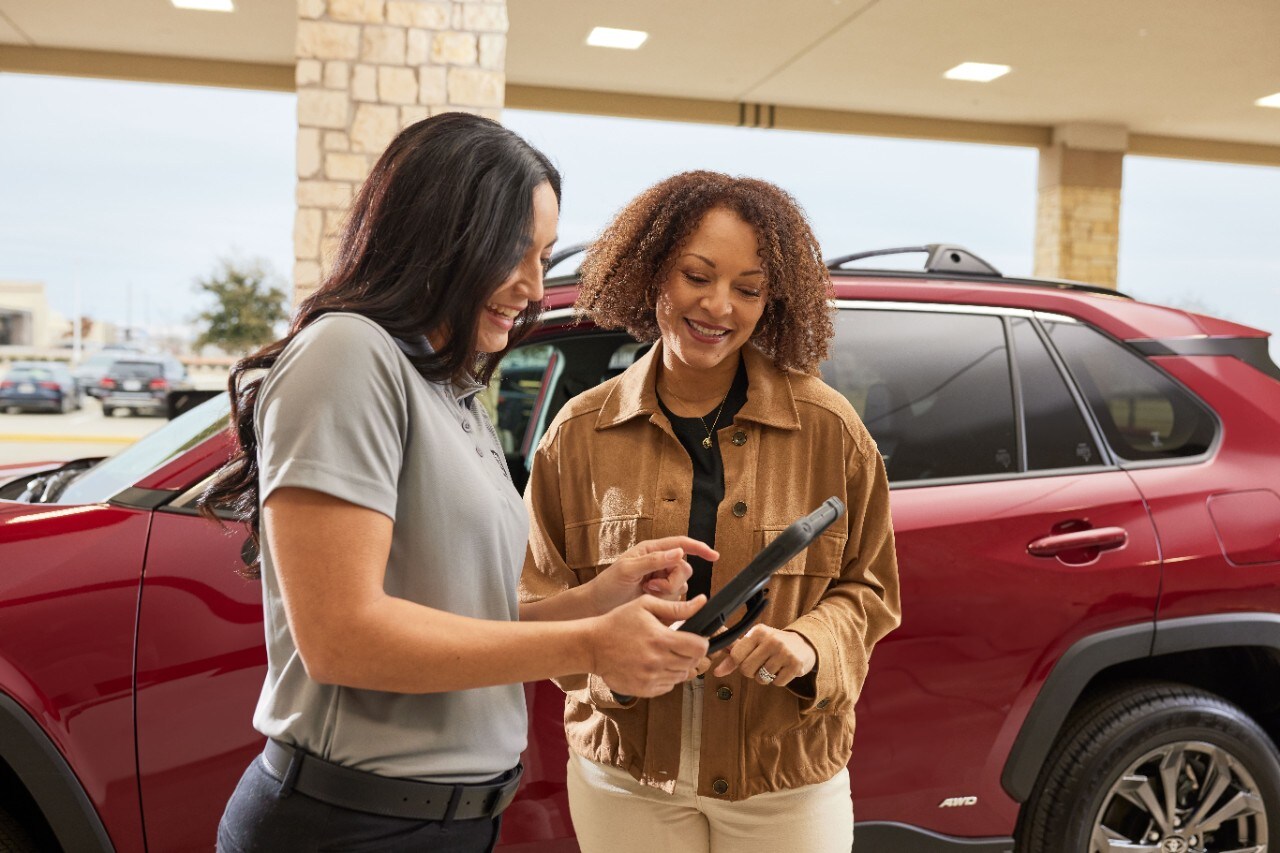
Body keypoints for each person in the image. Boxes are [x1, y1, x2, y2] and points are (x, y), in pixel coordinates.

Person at [198, 113, 714, 853]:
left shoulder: (451, 388)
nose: (534, 286)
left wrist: (595, 603)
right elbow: (343, 637)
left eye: (544, 255)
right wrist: (592, 642)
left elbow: (456, 616)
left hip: (451, 822)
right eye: (517, 251)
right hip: (351, 827)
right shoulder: (348, 354)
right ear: (440, 232)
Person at [520, 171, 902, 852]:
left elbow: (871, 591)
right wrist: (613, 650)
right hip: (625, 778)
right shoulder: (577, 436)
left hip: (785, 779)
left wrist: (808, 643)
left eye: (748, 288)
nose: (719, 305)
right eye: (697, 276)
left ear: (771, 300)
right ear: (653, 274)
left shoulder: (831, 428)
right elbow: (537, 603)